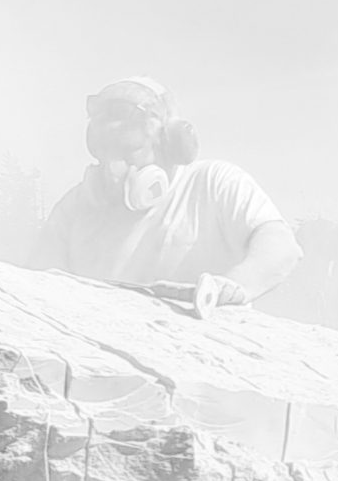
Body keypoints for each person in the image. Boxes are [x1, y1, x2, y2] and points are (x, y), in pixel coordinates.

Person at [29, 77, 301, 316]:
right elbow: (37, 287)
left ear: (171, 142)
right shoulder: (75, 207)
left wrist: (234, 286)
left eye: (130, 152)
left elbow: (281, 248)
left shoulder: (212, 183)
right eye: (106, 154)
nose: (114, 169)